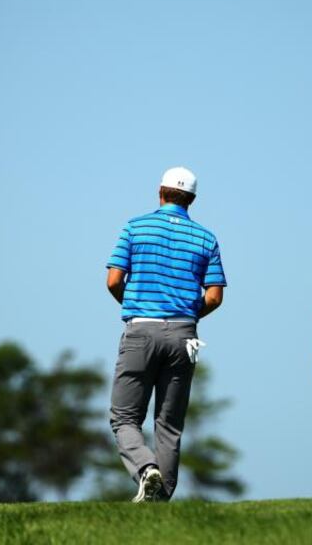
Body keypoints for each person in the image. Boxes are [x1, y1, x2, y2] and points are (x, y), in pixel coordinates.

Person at [105, 167, 226, 502]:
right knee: (169, 424)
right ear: (192, 200)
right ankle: (161, 500)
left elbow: (114, 281)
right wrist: (186, 316)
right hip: (184, 336)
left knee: (125, 417)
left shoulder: (135, 227)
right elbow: (214, 296)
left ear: (160, 192)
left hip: (141, 330)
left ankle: (145, 469)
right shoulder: (206, 238)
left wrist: (134, 306)